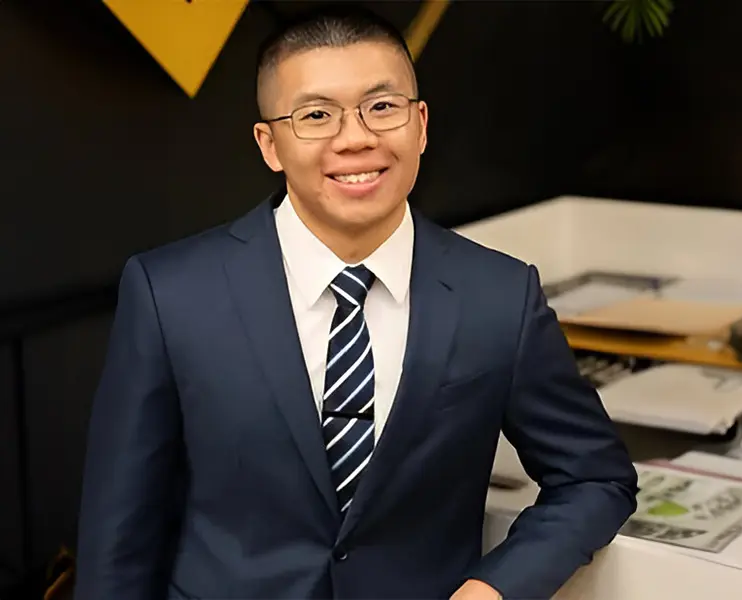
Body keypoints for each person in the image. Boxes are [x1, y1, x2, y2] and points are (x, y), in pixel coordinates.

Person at [74, 5, 638, 599]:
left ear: (420, 125)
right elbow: (119, 534)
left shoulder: (498, 296)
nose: (356, 138)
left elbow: (594, 477)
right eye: (316, 115)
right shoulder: (171, 293)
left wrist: (495, 588)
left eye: (382, 106)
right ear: (270, 144)